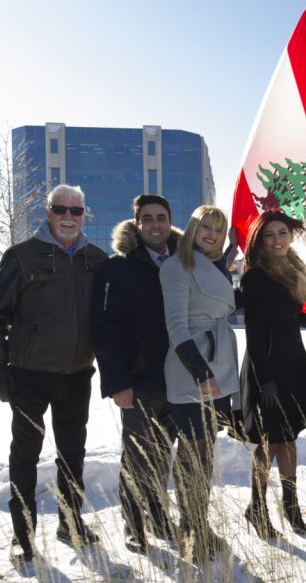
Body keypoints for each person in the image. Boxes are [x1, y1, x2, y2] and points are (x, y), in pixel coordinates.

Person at [0, 184, 107, 564]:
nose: (68, 216)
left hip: (77, 376)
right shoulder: (22, 256)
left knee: (72, 455)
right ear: (48, 213)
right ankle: (23, 535)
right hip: (29, 376)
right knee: (25, 455)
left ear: (85, 215)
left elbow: (111, 317)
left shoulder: (96, 260)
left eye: (76, 210)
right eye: (60, 209)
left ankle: (71, 523)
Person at [93, 194, 181, 553]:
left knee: (163, 455)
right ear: (137, 223)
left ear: (169, 221)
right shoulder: (117, 268)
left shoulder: (183, 262)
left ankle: (159, 517)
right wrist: (117, 383)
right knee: (136, 457)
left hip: (178, 379)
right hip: (139, 380)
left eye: (162, 217)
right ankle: (134, 525)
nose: (156, 224)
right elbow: (104, 329)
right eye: (148, 219)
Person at [239, 211, 306, 539]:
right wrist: (265, 380)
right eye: (269, 235)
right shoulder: (256, 277)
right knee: (268, 441)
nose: (277, 240)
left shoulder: (293, 271)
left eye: (282, 233)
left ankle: (291, 508)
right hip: (266, 369)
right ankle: (257, 507)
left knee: (289, 436)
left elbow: (294, 320)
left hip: (292, 363)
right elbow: (254, 334)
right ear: (259, 241)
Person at [160, 205, 239, 562]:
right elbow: (176, 328)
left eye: (218, 230)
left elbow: (224, 300)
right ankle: (191, 533)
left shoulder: (214, 265)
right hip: (192, 369)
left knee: (206, 453)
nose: (211, 234)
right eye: (205, 226)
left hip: (218, 365)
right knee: (193, 454)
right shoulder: (178, 265)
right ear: (192, 227)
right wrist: (201, 373)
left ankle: (198, 526)